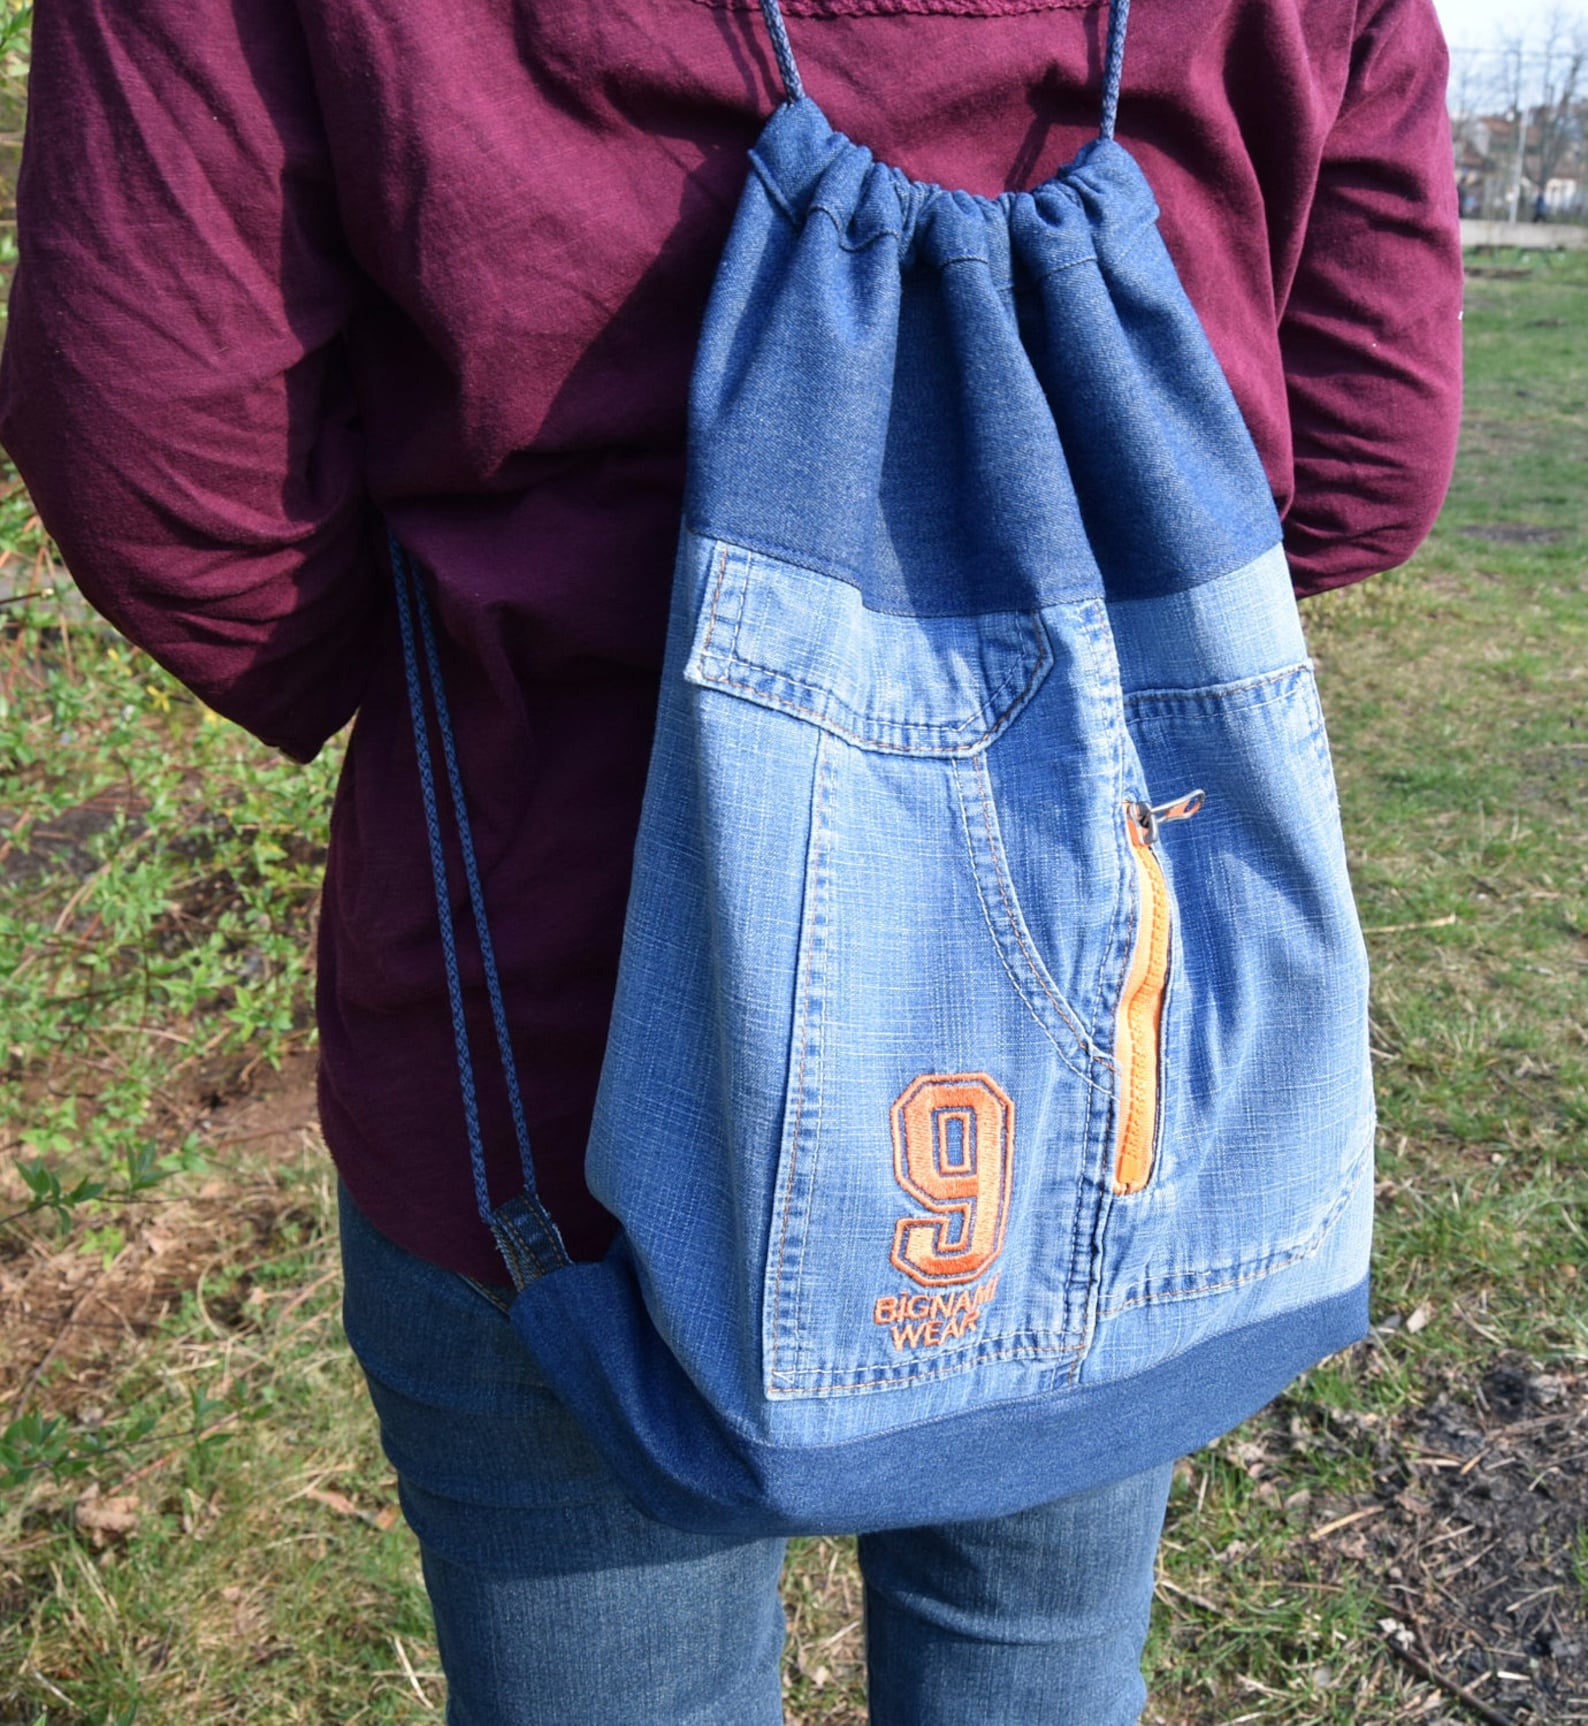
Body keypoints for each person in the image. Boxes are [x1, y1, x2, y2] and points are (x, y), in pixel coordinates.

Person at [0, 0, 1462, 1719]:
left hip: (559, 1031)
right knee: (1039, 1671)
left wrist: (500, 690)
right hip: (1085, 1064)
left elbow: (170, 467)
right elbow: (1366, 458)